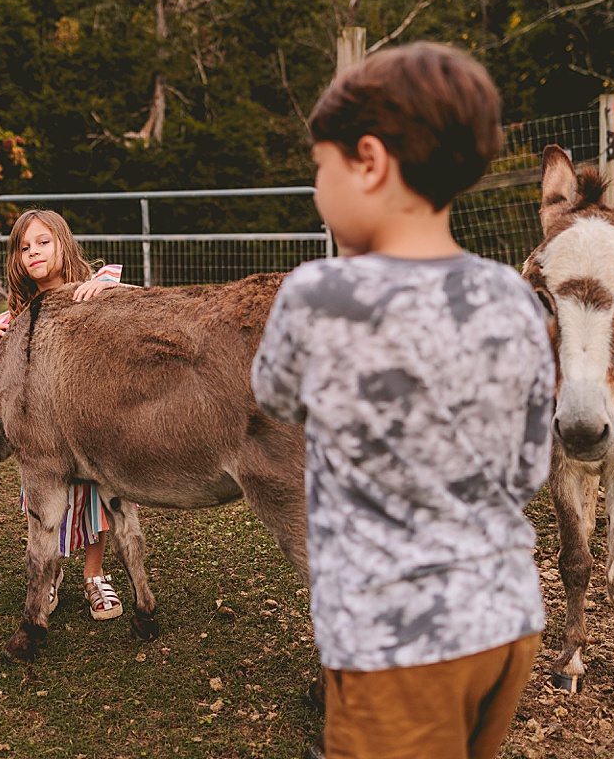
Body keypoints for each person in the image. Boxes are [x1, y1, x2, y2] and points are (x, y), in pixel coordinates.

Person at [250, 42, 555, 759]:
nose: (319, 192)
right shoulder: (511, 294)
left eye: (319, 171)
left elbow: (274, 397)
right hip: (506, 618)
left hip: (395, 638)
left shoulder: (319, 294)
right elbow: (529, 467)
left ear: (368, 161)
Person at [0, 209, 126, 620]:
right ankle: (49, 573)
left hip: (91, 425)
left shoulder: (97, 287)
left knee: (96, 501)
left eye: (43, 242)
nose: (34, 252)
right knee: (50, 506)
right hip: (45, 435)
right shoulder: (19, 315)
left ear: (63, 243)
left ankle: (95, 575)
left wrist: (100, 287)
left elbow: (128, 296)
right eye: (24, 247)